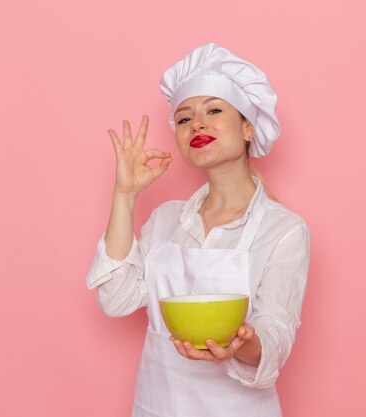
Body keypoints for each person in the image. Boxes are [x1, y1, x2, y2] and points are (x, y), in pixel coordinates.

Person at [86, 43, 310, 417]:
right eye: (184, 118)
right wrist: (124, 195)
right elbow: (116, 300)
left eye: (214, 110)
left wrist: (242, 345)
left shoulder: (283, 229)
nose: (198, 124)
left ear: (248, 127)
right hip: (155, 407)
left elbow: (276, 331)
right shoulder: (167, 219)